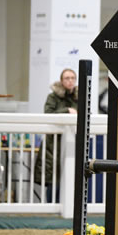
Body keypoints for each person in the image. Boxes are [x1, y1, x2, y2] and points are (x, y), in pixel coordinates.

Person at [33, 68, 78, 201]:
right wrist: (67, 111)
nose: (70, 81)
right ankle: (51, 209)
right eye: (67, 78)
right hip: (53, 145)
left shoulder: (79, 96)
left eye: (72, 78)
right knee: (53, 180)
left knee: (70, 179)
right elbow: (48, 114)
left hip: (73, 142)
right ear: (61, 80)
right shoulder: (53, 97)